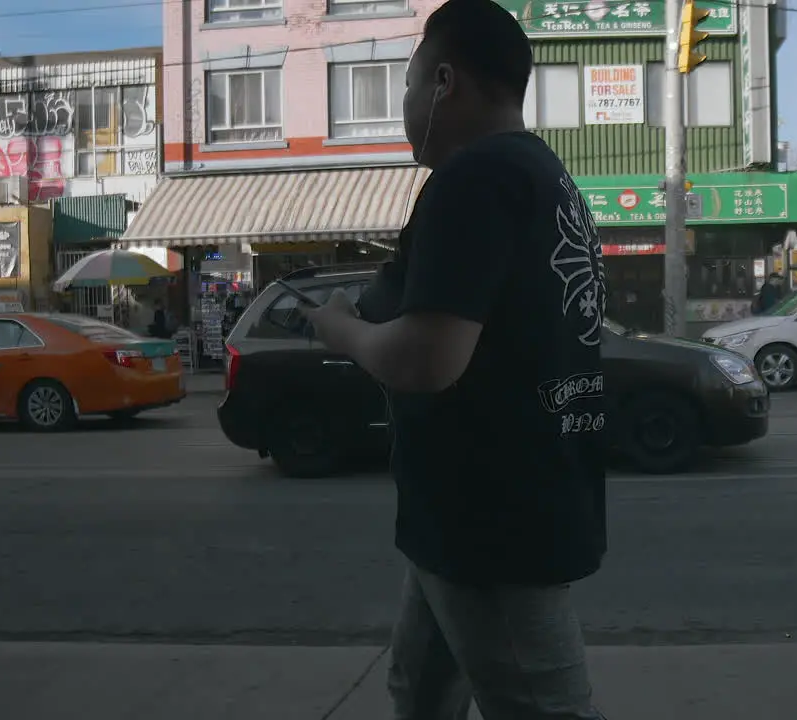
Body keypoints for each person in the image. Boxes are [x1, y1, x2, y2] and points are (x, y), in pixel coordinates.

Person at [302, 1, 609, 717]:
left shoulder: (473, 179)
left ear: (444, 82)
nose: (406, 104)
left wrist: (340, 329)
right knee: (422, 688)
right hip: (484, 505)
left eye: (408, 84)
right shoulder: (543, 175)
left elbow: (427, 360)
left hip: (489, 518)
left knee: (541, 707)